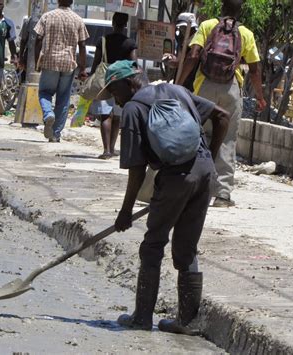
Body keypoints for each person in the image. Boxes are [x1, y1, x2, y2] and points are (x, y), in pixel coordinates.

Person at [96, 60, 229, 334]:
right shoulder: (178, 91)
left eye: (115, 91)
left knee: (153, 245)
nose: (115, 99)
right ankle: (187, 323)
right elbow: (222, 116)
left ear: (130, 82)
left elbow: (136, 169)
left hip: (174, 178)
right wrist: (211, 160)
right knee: (186, 249)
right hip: (204, 173)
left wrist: (125, 212)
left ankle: (142, 318)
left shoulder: (133, 108)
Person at [178, 0, 266, 207]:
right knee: (226, 139)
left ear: (222, 7)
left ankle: (190, 186)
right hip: (230, 89)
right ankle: (223, 194)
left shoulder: (208, 26)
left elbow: (193, 55)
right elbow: (254, 69)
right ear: (240, 10)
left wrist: (178, 84)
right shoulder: (246, 33)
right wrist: (261, 97)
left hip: (204, 88)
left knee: (197, 134)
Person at [34, 0, 88, 143]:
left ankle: (48, 114)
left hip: (50, 62)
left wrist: (36, 61)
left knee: (45, 92)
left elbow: (38, 38)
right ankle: (55, 134)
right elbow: (82, 45)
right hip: (68, 64)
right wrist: (82, 68)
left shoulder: (47, 16)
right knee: (63, 99)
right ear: (71, 2)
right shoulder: (78, 20)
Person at [89, 12, 137, 160]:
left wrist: (91, 77)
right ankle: (112, 147)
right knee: (116, 116)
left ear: (113, 22)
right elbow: (134, 64)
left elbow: (96, 61)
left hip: (105, 78)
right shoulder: (130, 43)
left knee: (105, 115)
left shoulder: (103, 40)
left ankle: (106, 150)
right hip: (122, 81)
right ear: (125, 24)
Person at [161, 12, 199, 91]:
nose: (182, 30)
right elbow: (179, 61)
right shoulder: (184, 41)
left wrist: (179, 84)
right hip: (182, 84)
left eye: (183, 28)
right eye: (181, 28)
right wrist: (171, 59)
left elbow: (182, 63)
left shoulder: (194, 43)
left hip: (189, 85)